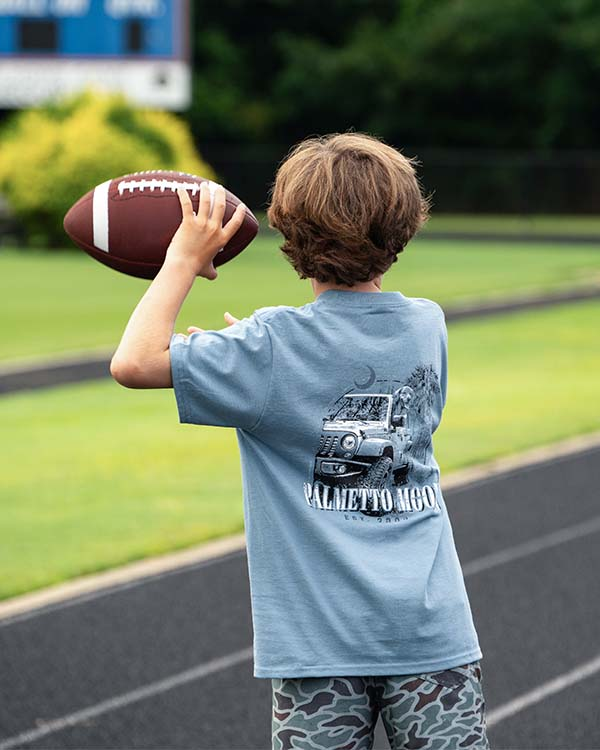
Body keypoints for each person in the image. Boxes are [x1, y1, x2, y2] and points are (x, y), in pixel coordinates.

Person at [110, 132, 490, 749]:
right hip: (432, 634)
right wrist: (256, 358)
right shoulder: (427, 324)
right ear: (403, 230)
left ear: (289, 232)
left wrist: (182, 261)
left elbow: (134, 362)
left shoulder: (267, 349)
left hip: (319, 647)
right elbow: (339, 371)